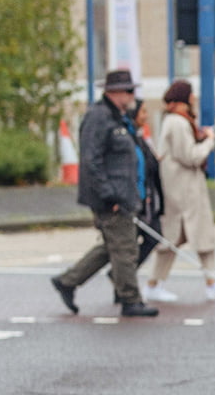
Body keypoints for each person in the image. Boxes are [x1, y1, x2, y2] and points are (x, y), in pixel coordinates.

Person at [51, 69, 159, 318]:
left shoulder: (118, 117)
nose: (133, 95)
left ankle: (67, 281)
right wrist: (108, 195)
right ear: (114, 92)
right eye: (129, 90)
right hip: (112, 198)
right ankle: (130, 300)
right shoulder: (99, 118)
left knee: (113, 247)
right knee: (124, 248)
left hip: (125, 194)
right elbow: (91, 161)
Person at [141, 80, 215, 303]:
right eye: (190, 95)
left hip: (180, 189)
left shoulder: (176, 122)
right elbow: (191, 156)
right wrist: (210, 142)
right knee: (188, 237)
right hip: (184, 191)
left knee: (176, 239)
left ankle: (163, 283)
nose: (193, 98)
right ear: (182, 99)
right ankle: (205, 283)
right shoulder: (177, 123)